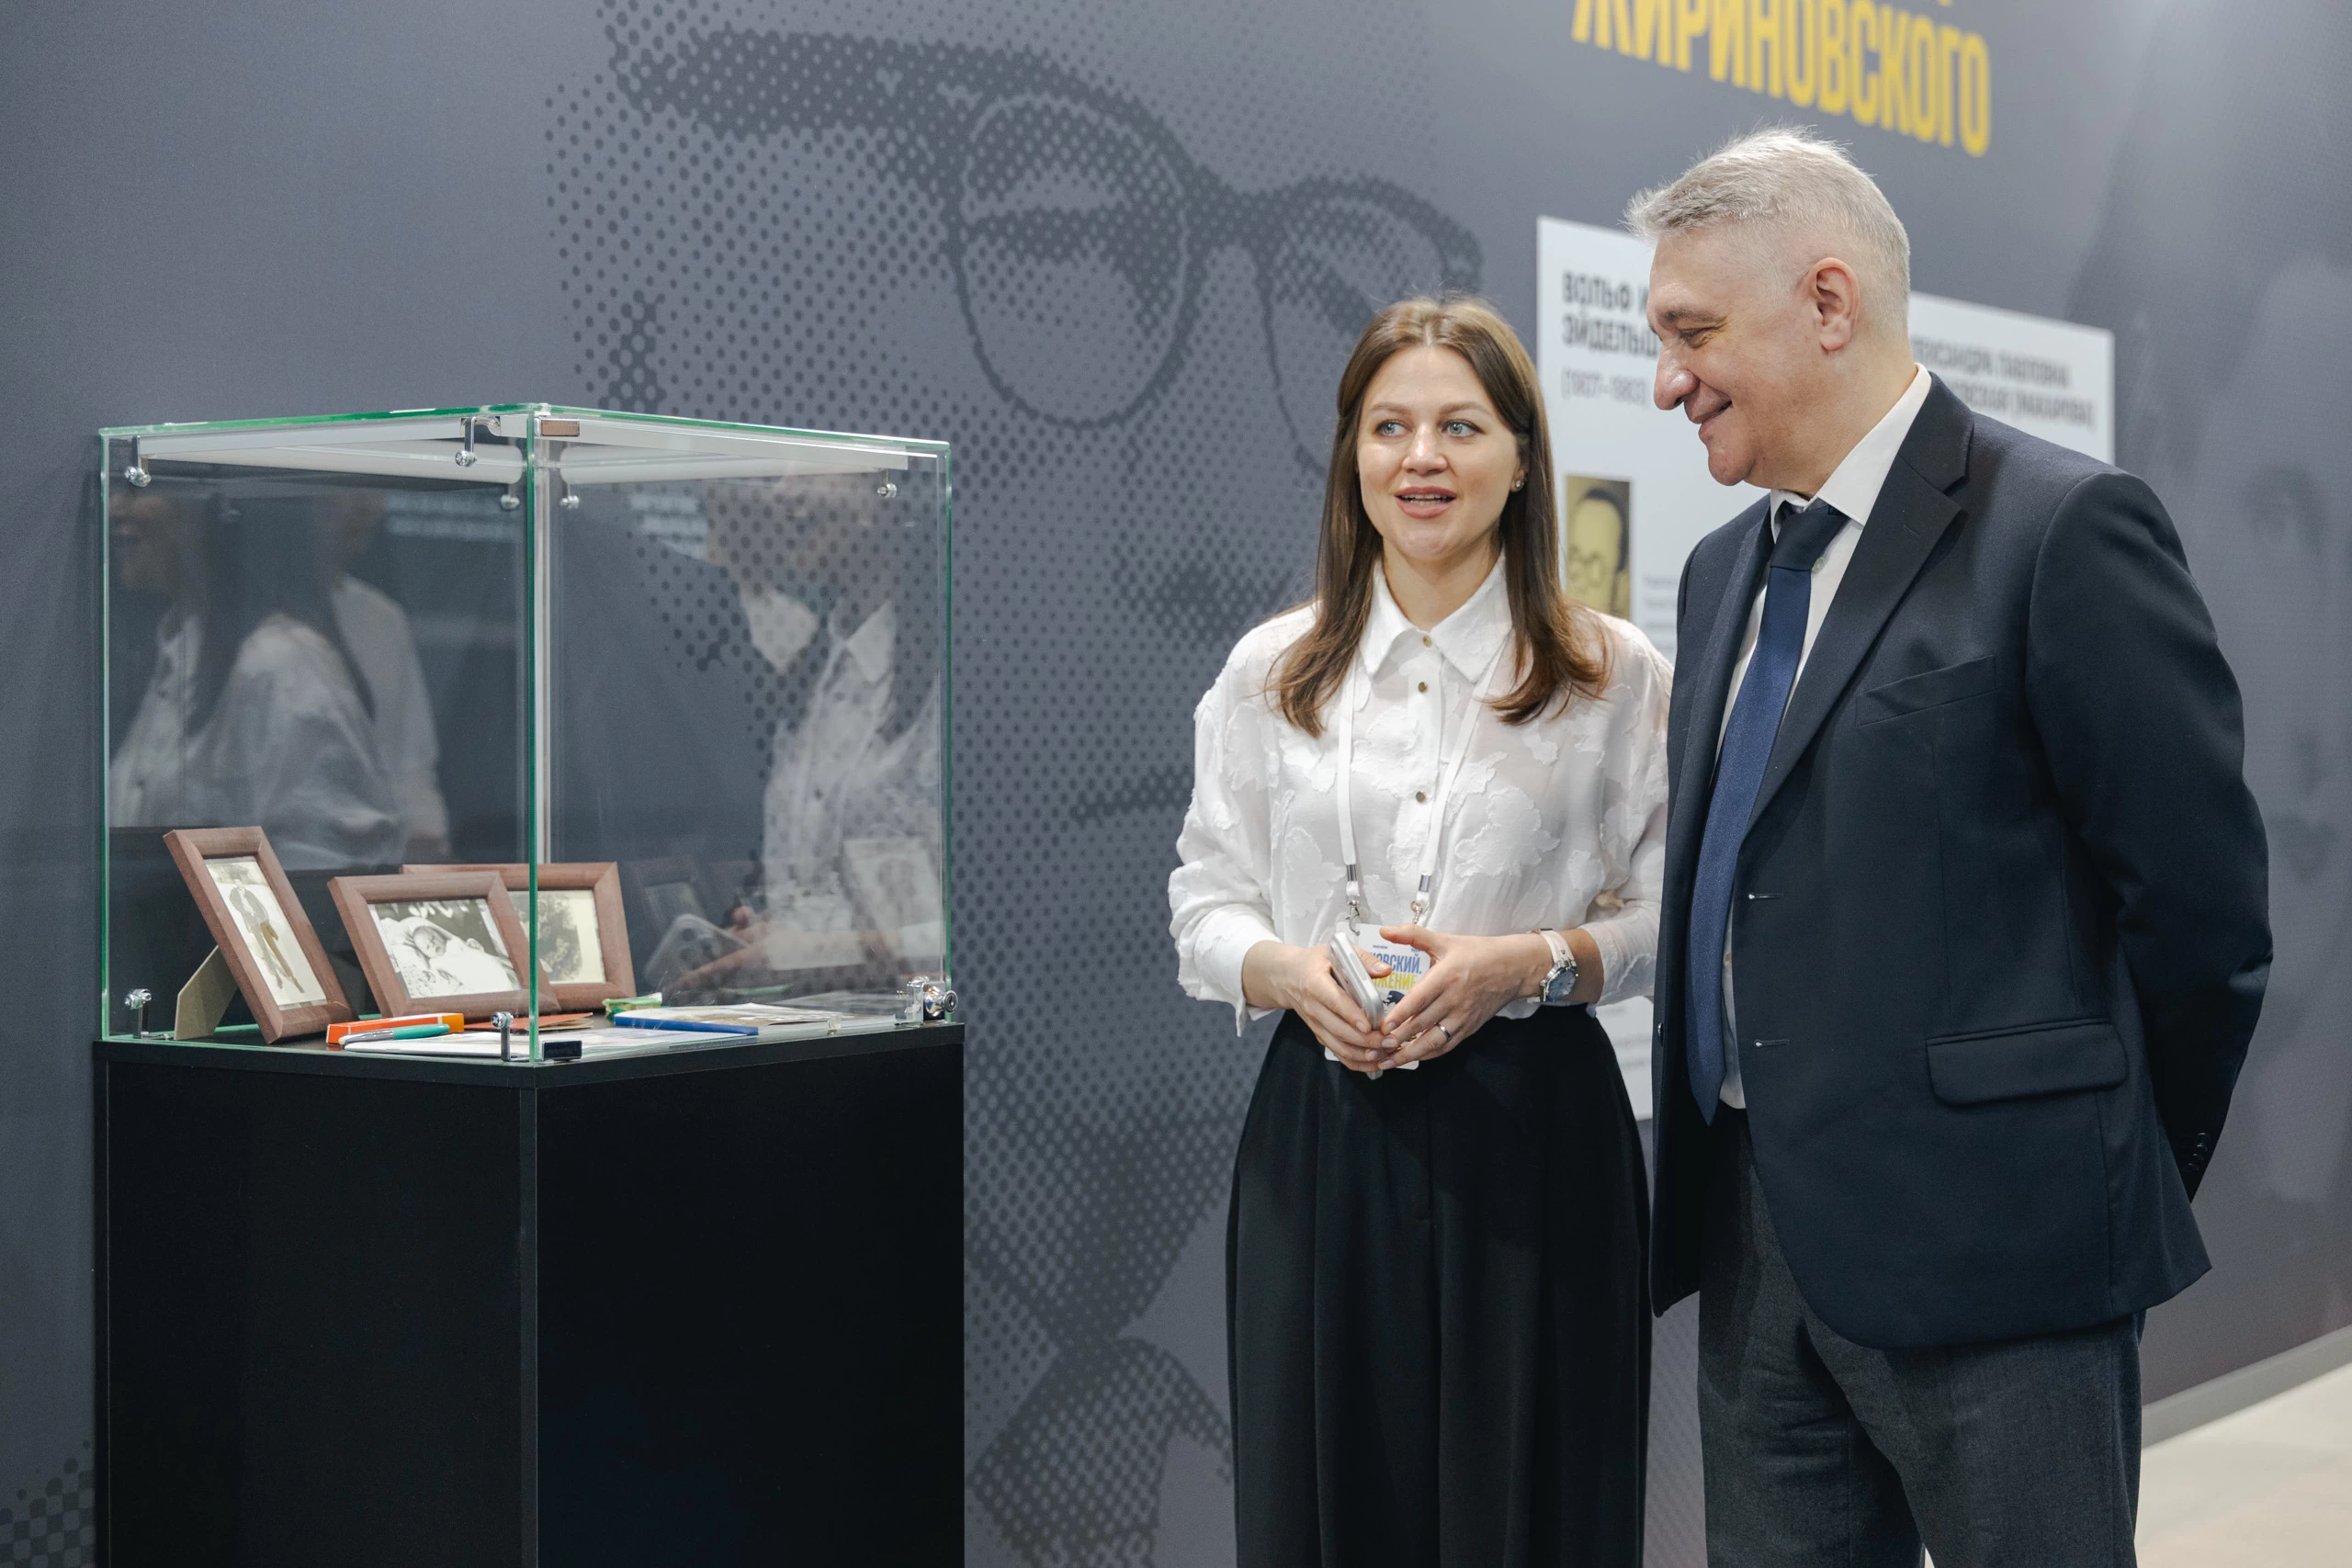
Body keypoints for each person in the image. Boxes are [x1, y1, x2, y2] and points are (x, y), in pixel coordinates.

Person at [1631, 129, 2271, 1566]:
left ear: (1829, 301)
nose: (1668, 379)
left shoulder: (2059, 528)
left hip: (2008, 1261)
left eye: (1692, 331)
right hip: (1756, 1253)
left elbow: (2202, 910)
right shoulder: (1724, 570)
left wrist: (2094, 1175)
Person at [1170, 296, 1668, 1565]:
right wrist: (1287, 971)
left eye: (1460, 425)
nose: (1420, 458)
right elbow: (1202, 901)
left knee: (1539, 1502)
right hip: (1325, 1128)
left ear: (1521, 458)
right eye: (1388, 427)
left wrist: (1532, 962)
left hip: (1538, 1128)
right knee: (1331, 1499)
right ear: (1352, 453)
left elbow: (1672, 913)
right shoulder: (1272, 670)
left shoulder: (1611, 672)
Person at [110, 491, 405, 870]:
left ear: (219, 510)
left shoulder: (280, 665)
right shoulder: (186, 647)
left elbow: (325, 875)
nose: (114, 508)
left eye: (142, 489)